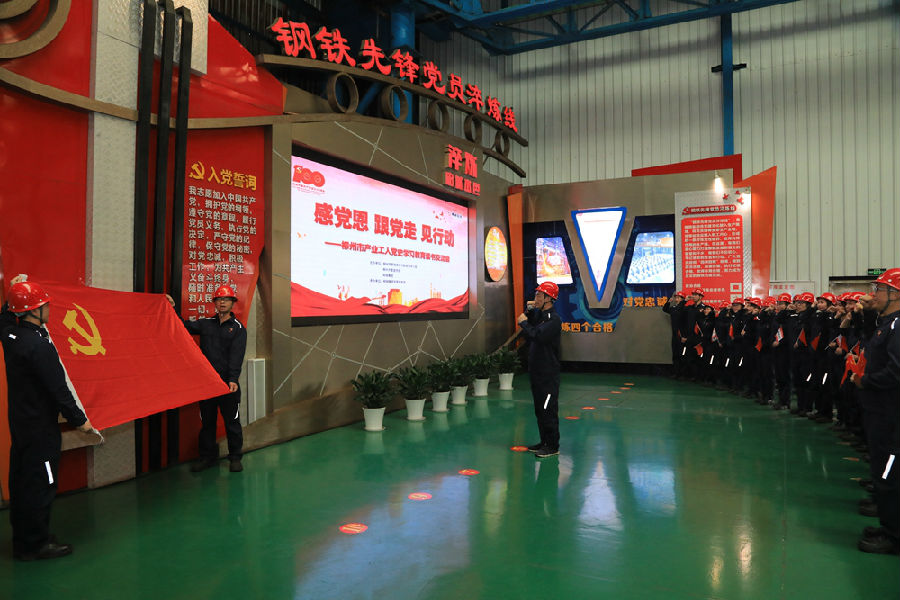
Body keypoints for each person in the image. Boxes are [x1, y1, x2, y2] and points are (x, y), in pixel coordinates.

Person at [1, 278, 94, 561]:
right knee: (41, 484)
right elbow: (59, 390)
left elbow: (4, 318)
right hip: (41, 430)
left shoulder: (11, 335)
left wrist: (10, 299)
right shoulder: (39, 346)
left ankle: (24, 538)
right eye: (44, 304)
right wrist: (80, 421)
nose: (49, 308)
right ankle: (35, 545)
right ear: (33, 310)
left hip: (21, 426)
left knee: (22, 483)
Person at [171, 285, 247, 473]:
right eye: (219, 299)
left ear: (232, 303)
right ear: (215, 303)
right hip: (207, 385)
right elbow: (181, 326)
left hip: (228, 386)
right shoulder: (206, 324)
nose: (222, 302)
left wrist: (233, 379)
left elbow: (236, 356)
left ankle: (235, 458)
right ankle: (207, 457)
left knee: (232, 423)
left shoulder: (238, 329)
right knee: (207, 423)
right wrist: (171, 307)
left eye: (226, 299)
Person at [851, 268, 900, 554]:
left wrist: (865, 381)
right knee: (882, 471)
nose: (874, 295)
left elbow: (896, 371)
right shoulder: (886, 323)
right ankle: (888, 525)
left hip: (891, 413)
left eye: (879, 290)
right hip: (879, 410)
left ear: (895, 294)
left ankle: (895, 536)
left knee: (890, 475)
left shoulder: (898, 326)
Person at [517, 282, 562, 459]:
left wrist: (523, 322)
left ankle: (552, 446)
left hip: (547, 374)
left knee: (547, 409)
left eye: (539, 295)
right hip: (536, 372)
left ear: (548, 298)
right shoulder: (541, 316)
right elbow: (531, 326)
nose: (535, 298)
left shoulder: (553, 320)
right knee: (539, 409)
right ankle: (544, 442)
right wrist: (529, 311)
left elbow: (536, 334)